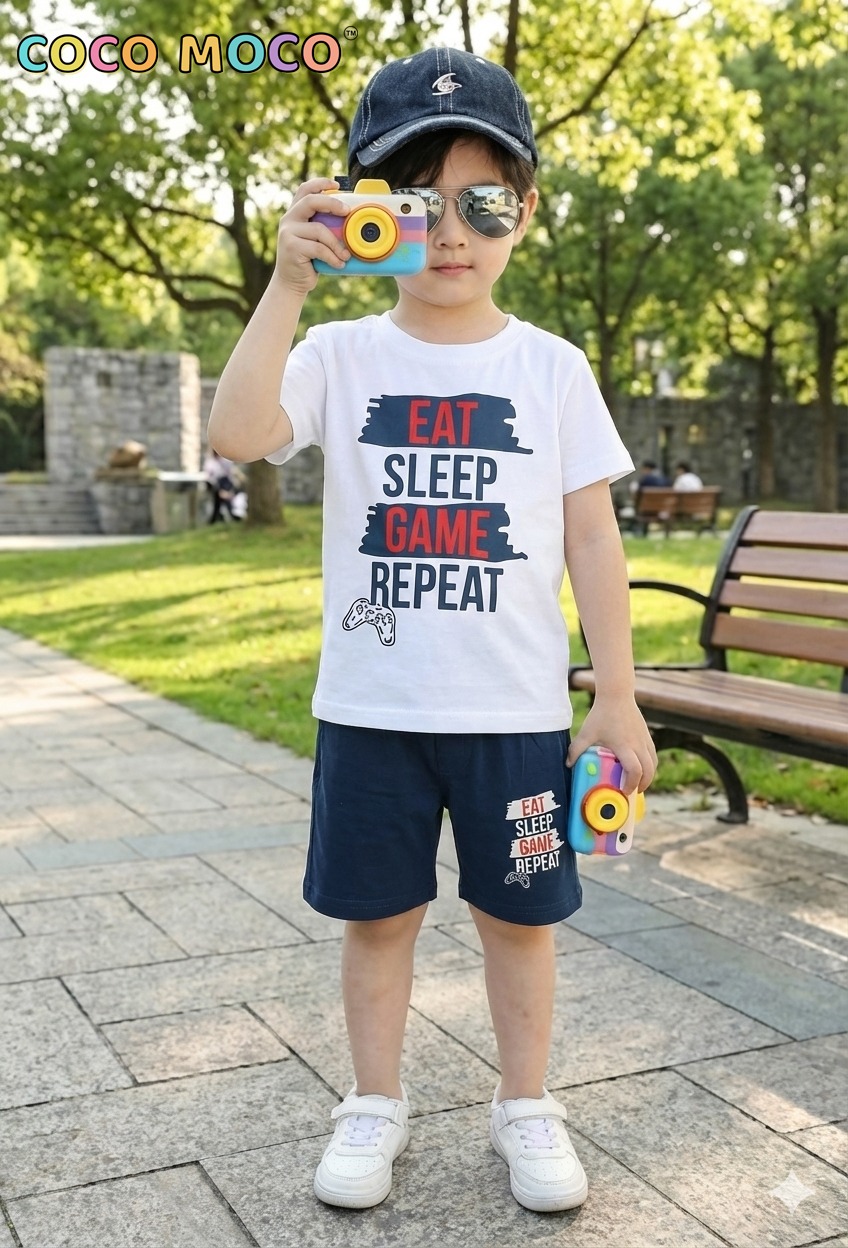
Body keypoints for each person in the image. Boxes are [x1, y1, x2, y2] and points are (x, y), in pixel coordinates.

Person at [208, 46, 656, 1215]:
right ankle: (373, 1101)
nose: (451, 232)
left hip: (512, 716)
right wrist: (287, 285)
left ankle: (525, 1105)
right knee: (377, 921)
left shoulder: (552, 369)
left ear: (527, 208)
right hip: (372, 712)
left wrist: (612, 695)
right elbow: (239, 434)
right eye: (413, 200)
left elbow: (593, 544)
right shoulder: (341, 353)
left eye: (484, 201)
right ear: (363, 211)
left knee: (520, 923)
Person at [203, 449, 240, 523]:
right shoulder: (210, 462)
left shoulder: (226, 461)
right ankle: (218, 519)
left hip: (225, 483)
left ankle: (216, 519)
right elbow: (209, 476)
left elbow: (229, 472)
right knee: (218, 503)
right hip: (216, 484)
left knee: (221, 503)